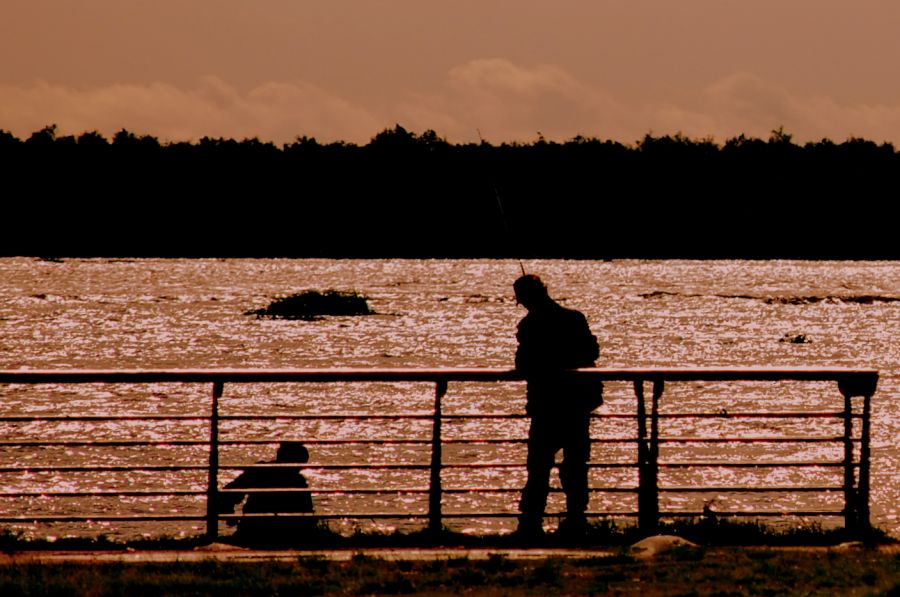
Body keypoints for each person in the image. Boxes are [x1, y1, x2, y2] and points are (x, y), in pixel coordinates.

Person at [512, 274, 602, 541]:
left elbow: (523, 364)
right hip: (577, 403)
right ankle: (576, 520)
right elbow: (592, 352)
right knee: (575, 465)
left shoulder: (529, 326)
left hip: (547, 404)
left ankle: (531, 524)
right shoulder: (574, 318)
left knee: (538, 467)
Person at [218, 441, 319, 546]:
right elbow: (307, 516)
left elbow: (227, 494)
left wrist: (229, 514)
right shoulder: (298, 482)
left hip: (252, 531)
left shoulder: (259, 471)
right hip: (287, 535)